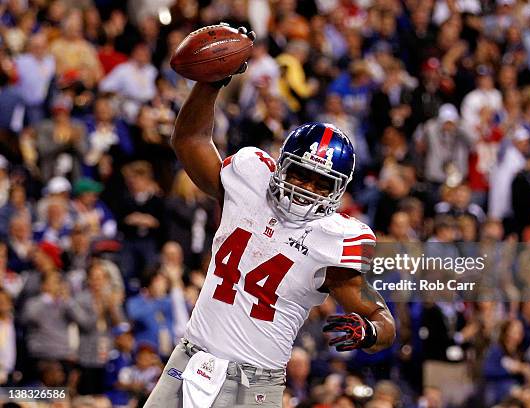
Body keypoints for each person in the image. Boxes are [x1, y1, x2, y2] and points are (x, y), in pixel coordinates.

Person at [144, 25, 395, 408]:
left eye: (319, 182)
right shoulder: (249, 179)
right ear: (280, 166)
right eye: (300, 173)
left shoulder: (334, 240)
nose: (306, 187)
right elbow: (190, 141)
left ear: (336, 191)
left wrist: (370, 330)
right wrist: (212, 81)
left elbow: (382, 317)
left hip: (254, 385)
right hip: (190, 359)